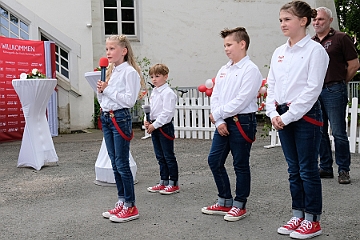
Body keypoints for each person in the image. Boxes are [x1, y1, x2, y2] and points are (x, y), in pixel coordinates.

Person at [265, 1, 329, 239]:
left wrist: (289, 116)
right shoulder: (278, 52)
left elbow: (312, 90)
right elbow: (271, 85)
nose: (282, 24)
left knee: (307, 169)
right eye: (281, 20)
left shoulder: (315, 51)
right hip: (281, 114)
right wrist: (273, 113)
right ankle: (298, 214)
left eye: (287, 19)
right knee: (293, 170)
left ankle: (313, 220)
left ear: (303, 21)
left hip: (305, 116)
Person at [201, 27, 262, 222]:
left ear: (242, 44)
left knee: (240, 164)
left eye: (229, 45)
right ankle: (224, 200)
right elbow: (216, 95)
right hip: (223, 121)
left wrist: (217, 113)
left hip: (242, 121)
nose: (226, 49)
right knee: (214, 160)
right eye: (224, 45)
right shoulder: (224, 69)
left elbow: (242, 100)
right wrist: (219, 120)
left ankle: (240, 204)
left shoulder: (250, 70)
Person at [312, 7, 359, 184]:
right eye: (315, 20)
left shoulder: (341, 38)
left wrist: (340, 82)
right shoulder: (311, 42)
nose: (317, 22)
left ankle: (344, 170)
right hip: (316, 92)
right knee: (320, 131)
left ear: (330, 20)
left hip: (334, 89)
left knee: (338, 132)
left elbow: (354, 64)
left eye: (321, 19)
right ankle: (325, 167)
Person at [97, 35, 141, 223]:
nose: (108, 52)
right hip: (108, 117)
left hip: (119, 118)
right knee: (115, 162)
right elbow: (107, 98)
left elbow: (129, 100)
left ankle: (131, 206)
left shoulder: (129, 72)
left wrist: (107, 90)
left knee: (122, 163)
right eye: (107, 49)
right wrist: (101, 93)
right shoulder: (111, 71)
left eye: (112, 49)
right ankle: (122, 201)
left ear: (123, 51)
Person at [145, 63, 180, 195]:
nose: (154, 79)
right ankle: (163, 180)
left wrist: (155, 125)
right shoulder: (154, 91)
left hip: (164, 127)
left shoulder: (168, 93)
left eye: (157, 76)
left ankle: (173, 182)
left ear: (165, 77)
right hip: (154, 125)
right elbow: (151, 108)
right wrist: (147, 120)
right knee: (160, 156)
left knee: (168, 155)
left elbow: (166, 113)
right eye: (152, 76)